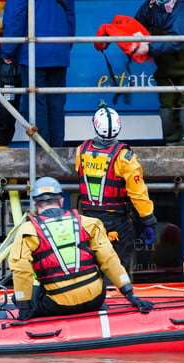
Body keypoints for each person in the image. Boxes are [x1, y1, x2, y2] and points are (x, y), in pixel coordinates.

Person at [8, 176, 153, 321]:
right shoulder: (88, 223)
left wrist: (24, 307)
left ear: (35, 203)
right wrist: (129, 293)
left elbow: (21, 270)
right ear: (61, 200)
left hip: (57, 305)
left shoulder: (28, 231)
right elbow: (109, 260)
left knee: (17, 297)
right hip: (95, 299)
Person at [75, 102, 157, 270]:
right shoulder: (124, 157)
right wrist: (149, 220)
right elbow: (138, 193)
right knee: (117, 268)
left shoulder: (81, 151)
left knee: (91, 268)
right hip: (116, 223)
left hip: (88, 221)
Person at [1, 0, 75, 147]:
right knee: (56, 106)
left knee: (36, 105)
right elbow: (70, 19)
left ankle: (41, 153)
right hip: (59, 51)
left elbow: (16, 16)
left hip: (34, 53)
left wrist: (8, 51)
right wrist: (65, 47)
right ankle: (56, 151)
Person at [132, 0, 184, 146]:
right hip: (165, 70)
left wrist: (148, 48)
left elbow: (176, 40)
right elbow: (135, 26)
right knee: (167, 113)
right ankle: (172, 149)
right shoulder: (150, 7)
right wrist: (114, 32)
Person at [0, 0, 21, 148]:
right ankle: (0, 146)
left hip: (13, 59)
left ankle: (1, 145)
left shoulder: (9, 5)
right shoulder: (3, 5)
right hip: (9, 63)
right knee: (7, 104)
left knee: (10, 104)